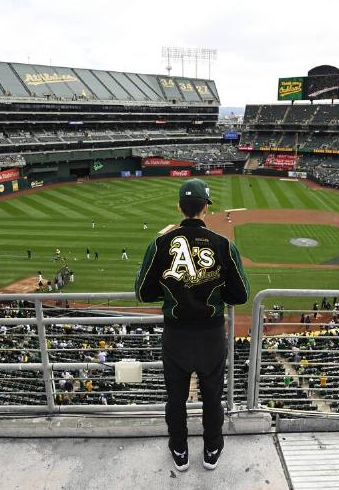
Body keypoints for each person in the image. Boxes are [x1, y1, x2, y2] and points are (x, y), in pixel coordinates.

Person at [135, 178, 249, 472]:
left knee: (175, 398)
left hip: (176, 335)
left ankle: (179, 449)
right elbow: (240, 294)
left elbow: (143, 292)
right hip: (211, 335)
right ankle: (212, 449)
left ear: (180, 207)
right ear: (205, 208)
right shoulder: (223, 244)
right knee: (212, 396)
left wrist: (173, 287)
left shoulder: (160, 243)